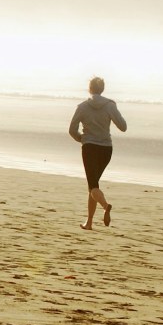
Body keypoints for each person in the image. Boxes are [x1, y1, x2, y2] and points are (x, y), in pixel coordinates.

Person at [68, 77, 127, 229]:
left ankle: (106, 206)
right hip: (106, 149)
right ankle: (89, 223)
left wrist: (81, 138)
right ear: (103, 89)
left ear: (89, 88)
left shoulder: (82, 106)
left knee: (92, 185)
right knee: (93, 185)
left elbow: (71, 129)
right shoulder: (110, 105)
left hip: (89, 148)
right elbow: (123, 127)